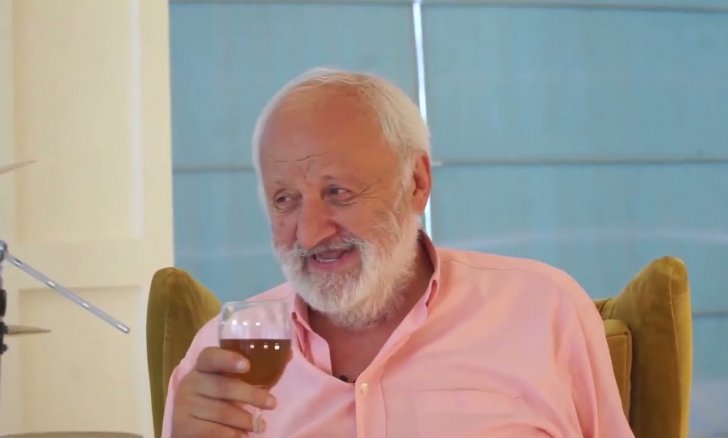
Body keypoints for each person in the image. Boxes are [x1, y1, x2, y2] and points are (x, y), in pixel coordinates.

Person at [162, 68, 634, 437]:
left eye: (338, 192)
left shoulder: (544, 308)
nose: (309, 233)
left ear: (416, 183)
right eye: (285, 200)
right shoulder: (217, 358)